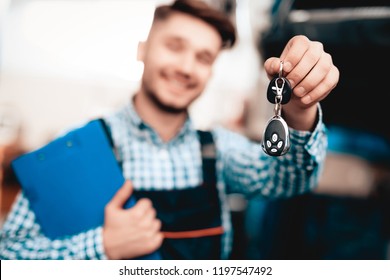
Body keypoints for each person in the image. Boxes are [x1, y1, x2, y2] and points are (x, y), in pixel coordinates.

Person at [0, 0, 339, 260]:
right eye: (174, 46)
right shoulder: (80, 147)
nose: (186, 67)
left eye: (204, 57)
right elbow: (9, 256)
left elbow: (291, 180)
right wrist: (100, 246)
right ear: (142, 50)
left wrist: (298, 110)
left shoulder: (219, 150)